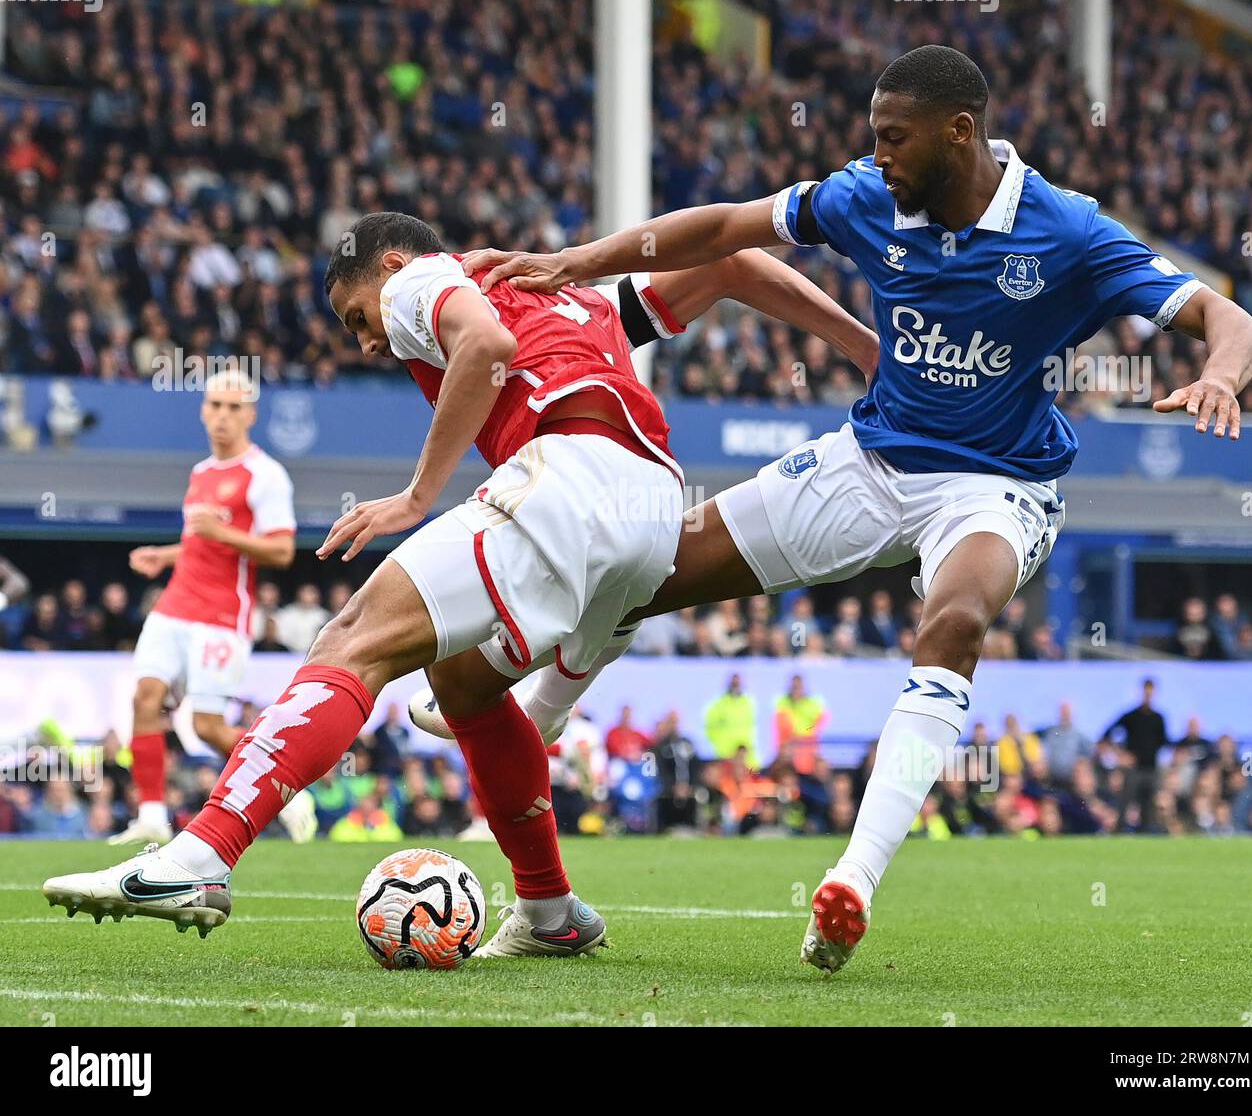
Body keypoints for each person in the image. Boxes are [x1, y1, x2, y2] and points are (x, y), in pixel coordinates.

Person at [457, 44, 1252, 972]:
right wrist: (578, 260)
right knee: (646, 570)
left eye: (893, 139)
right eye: (873, 139)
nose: (877, 157)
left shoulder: (1067, 233)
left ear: (960, 133)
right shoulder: (864, 199)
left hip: (995, 484)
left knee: (953, 620)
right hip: (868, 462)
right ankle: (545, 717)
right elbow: (726, 226)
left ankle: (852, 881)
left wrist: (1222, 378)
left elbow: (1221, 316)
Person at [44, 210, 876, 955]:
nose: (368, 340)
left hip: (572, 477)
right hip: (652, 509)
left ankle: (198, 857)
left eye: (356, 317)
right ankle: (550, 910)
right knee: (463, 683)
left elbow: (485, 346)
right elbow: (731, 262)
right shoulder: (567, 295)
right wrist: (861, 347)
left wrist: (415, 496)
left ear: (390, 264)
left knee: (353, 639)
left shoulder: (420, 281)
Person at [109, 369, 309, 846]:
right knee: (144, 699)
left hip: (222, 616)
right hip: (175, 604)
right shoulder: (200, 473)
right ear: (203, 410)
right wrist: (166, 554)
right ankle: (153, 815)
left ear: (251, 416)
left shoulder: (265, 474)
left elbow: (281, 550)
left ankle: (288, 789)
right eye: (215, 405)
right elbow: (200, 545)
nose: (223, 416)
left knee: (206, 725)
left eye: (233, 407)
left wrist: (221, 534)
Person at [1102, 679, 1169, 831]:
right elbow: (1107, 733)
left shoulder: (1158, 718)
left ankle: (1144, 837)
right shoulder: (1131, 716)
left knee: (1148, 808)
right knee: (1125, 804)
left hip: (1151, 769)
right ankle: (1119, 832)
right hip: (1134, 770)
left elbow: (1164, 742)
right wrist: (1121, 754)